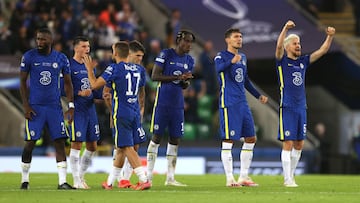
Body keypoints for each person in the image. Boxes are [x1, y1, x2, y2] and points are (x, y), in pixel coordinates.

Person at [275, 20, 335, 187]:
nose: (298, 46)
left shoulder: (303, 62)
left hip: (301, 107)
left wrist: (329, 37)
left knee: (300, 143)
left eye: (299, 43)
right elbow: (278, 46)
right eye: (295, 43)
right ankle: (287, 179)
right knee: (288, 142)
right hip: (287, 106)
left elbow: (322, 51)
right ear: (288, 47)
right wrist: (285, 28)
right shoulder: (281, 61)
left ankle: (291, 176)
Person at [86, 41, 151, 191]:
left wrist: (90, 70)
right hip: (135, 112)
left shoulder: (114, 68)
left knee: (127, 147)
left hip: (122, 112)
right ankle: (110, 182)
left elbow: (95, 85)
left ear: (115, 53)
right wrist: (141, 107)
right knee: (121, 147)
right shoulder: (138, 69)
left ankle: (143, 179)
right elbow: (142, 91)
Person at [19, 27, 75, 190]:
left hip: (54, 107)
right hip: (35, 107)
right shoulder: (29, 56)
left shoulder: (61, 58)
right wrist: (26, 105)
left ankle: (62, 182)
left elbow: (68, 83)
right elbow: (22, 81)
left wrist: (70, 105)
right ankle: (24, 180)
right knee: (30, 143)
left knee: (59, 141)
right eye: (38, 39)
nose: (39, 42)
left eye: (43, 39)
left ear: (51, 40)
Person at [214, 28, 268, 187]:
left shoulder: (243, 57)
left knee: (251, 138)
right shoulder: (221, 56)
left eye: (241, 37)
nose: (239, 39)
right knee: (228, 139)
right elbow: (217, 70)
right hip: (229, 102)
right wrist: (231, 61)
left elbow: (245, 81)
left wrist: (258, 95)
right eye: (236, 37)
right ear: (227, 40)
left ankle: (243, 176)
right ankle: (229, 178)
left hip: (242, 102)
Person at [146, 30, 195, 187]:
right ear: (179, 40)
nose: (189, 45)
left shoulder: (189, 60)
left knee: (175, 140)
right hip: (162, 102)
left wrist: (185, 82)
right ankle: (148, 177)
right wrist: (178, 77)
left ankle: (170, 178)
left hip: (178, 105)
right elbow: (155, 76)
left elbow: (184, 85)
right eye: (186, 41)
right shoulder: (166, 54)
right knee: (156, 138)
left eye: (191, 42)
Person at [103, 40, 147, 189]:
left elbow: (142, 92)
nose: (140, 59)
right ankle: (119, 180)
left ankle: (118, 180)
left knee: (128, 146)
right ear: (129, 54)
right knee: (123, 146)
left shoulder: (138, 71)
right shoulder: (121, 70)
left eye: (142, 56)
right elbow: (106, 93)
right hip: (121, 113)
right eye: (138, 55)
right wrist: (111, 113)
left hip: (130, 113)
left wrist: (141, 108)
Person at [68, 36, 102, 189]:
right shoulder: (68, 65)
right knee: (76, 143)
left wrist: (103, 95)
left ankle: (81, 176)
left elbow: (93, 88)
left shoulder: (90, 67)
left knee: (93, 146)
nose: (87, 49)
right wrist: (77, 93)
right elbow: (62, 89)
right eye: (83, 46)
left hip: (90, 109)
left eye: (88, 46)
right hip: (78, 110)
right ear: (75, 48)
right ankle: (76, 180)